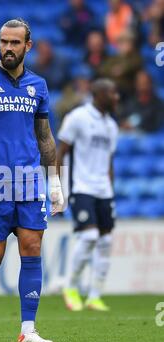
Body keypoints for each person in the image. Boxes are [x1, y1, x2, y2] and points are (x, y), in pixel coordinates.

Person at [0, 19, 65, 342]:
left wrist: (56, 181)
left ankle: (28, 329)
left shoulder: (39, 85)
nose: (8, 47)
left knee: (32, 248)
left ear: (27, 46)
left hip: (31, 180)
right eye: (4, 41)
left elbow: (45, 136)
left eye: (15, 43)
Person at [57, 79, 119, 311]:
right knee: (90, 236)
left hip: (103, 190)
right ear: (99, 94)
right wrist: (59, 186)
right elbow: (60, 151)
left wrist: (110, 191)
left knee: (106, 241)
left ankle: (94, 295)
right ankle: (71, 286)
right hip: (81, 187)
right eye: (113, 93)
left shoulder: (111, 126)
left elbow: (109, 162)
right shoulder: (78, 118)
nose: (117, 98)